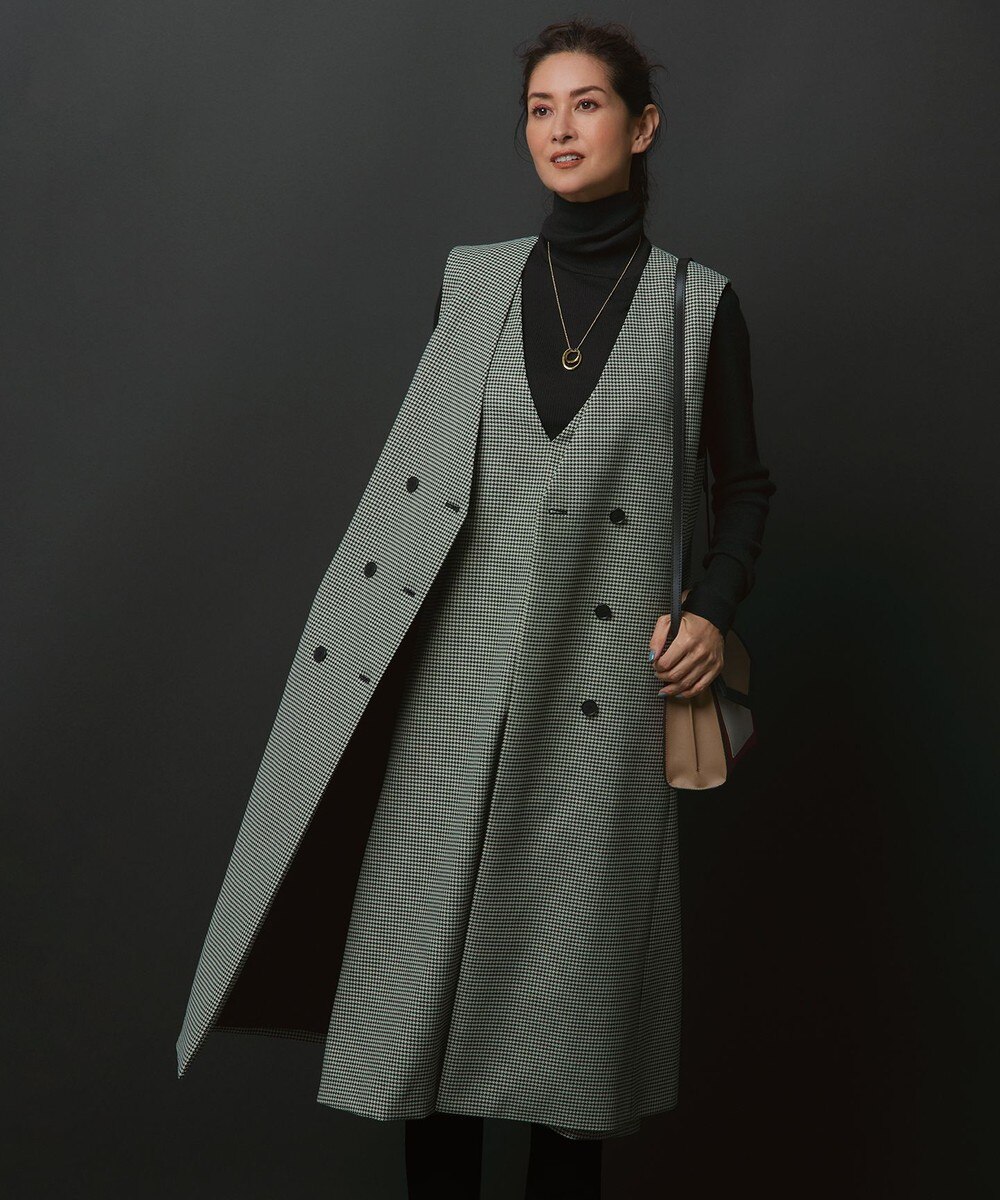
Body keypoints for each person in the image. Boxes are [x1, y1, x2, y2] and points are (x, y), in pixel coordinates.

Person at [174, 18, 776, 1200]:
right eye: (540, 108)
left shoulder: (698, 307)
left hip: (597, 716)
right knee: (423, 1027)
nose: (559, 128)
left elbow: (744, 485)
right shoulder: (471, 281)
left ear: (642, 127)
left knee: (566, 1040)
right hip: (447, 703)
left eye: (586, 104)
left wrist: (711, 611)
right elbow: (425, 485)